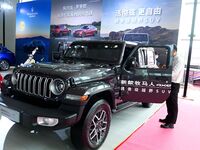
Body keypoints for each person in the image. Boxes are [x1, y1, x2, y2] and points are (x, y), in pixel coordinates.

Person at [159, 45, 184, 129]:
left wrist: (164, 75)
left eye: (169, 51)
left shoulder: (179, 60)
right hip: (170, 82)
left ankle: (171, 123)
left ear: (174, 51)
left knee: (173, 103)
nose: (168, 53)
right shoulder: (173, 59)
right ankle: (168, 118)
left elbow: (174, 72)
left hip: (175, 83)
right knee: (168, 101)